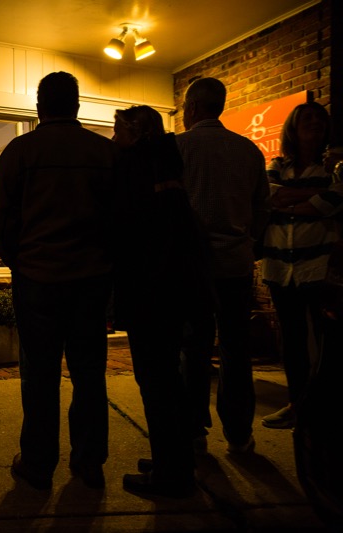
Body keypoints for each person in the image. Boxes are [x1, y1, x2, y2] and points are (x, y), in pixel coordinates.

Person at [0, 71, 119, 490]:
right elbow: (122, 222)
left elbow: (3, 225)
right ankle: (89, 461)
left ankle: (38, 461)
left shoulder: (20, 152)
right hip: (91, 281)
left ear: (39, 106)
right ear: (77, 105)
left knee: (40, 374)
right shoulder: (105, 153)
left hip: (38, 279)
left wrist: (19, 262)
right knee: (89, 373)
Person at [112, 105, 213, 498]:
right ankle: (173, 459)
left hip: (150, 292)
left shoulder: (136, 168)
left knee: (156, 382)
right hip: (172, 291)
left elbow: (130, 230)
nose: (114, 138)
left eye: (118, 130)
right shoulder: (164, 165)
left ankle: (172, 475)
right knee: (167, 378)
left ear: (135, 133)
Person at [176, 77, 271, 455]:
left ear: (194, 108)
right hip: (235, 263)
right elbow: (263, 209)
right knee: (236, 349)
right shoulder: (248, 150)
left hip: (193, 266)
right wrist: (250, 245)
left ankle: (195, 431)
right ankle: (238, 433)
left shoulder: (178, 148)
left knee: (193, 348)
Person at [259, 103, 342, 429]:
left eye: (320, 119)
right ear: (292, 127)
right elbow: (269, 198)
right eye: (306, 118)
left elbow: (334, 201)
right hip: (280, 267)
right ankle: (297, 405)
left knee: (324, 343)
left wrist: (296, 200)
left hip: (317, 267)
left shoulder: (334, 170)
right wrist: (314, 197)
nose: (314, 123)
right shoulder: (276, 166)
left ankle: (323, 409)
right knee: (292, 342)